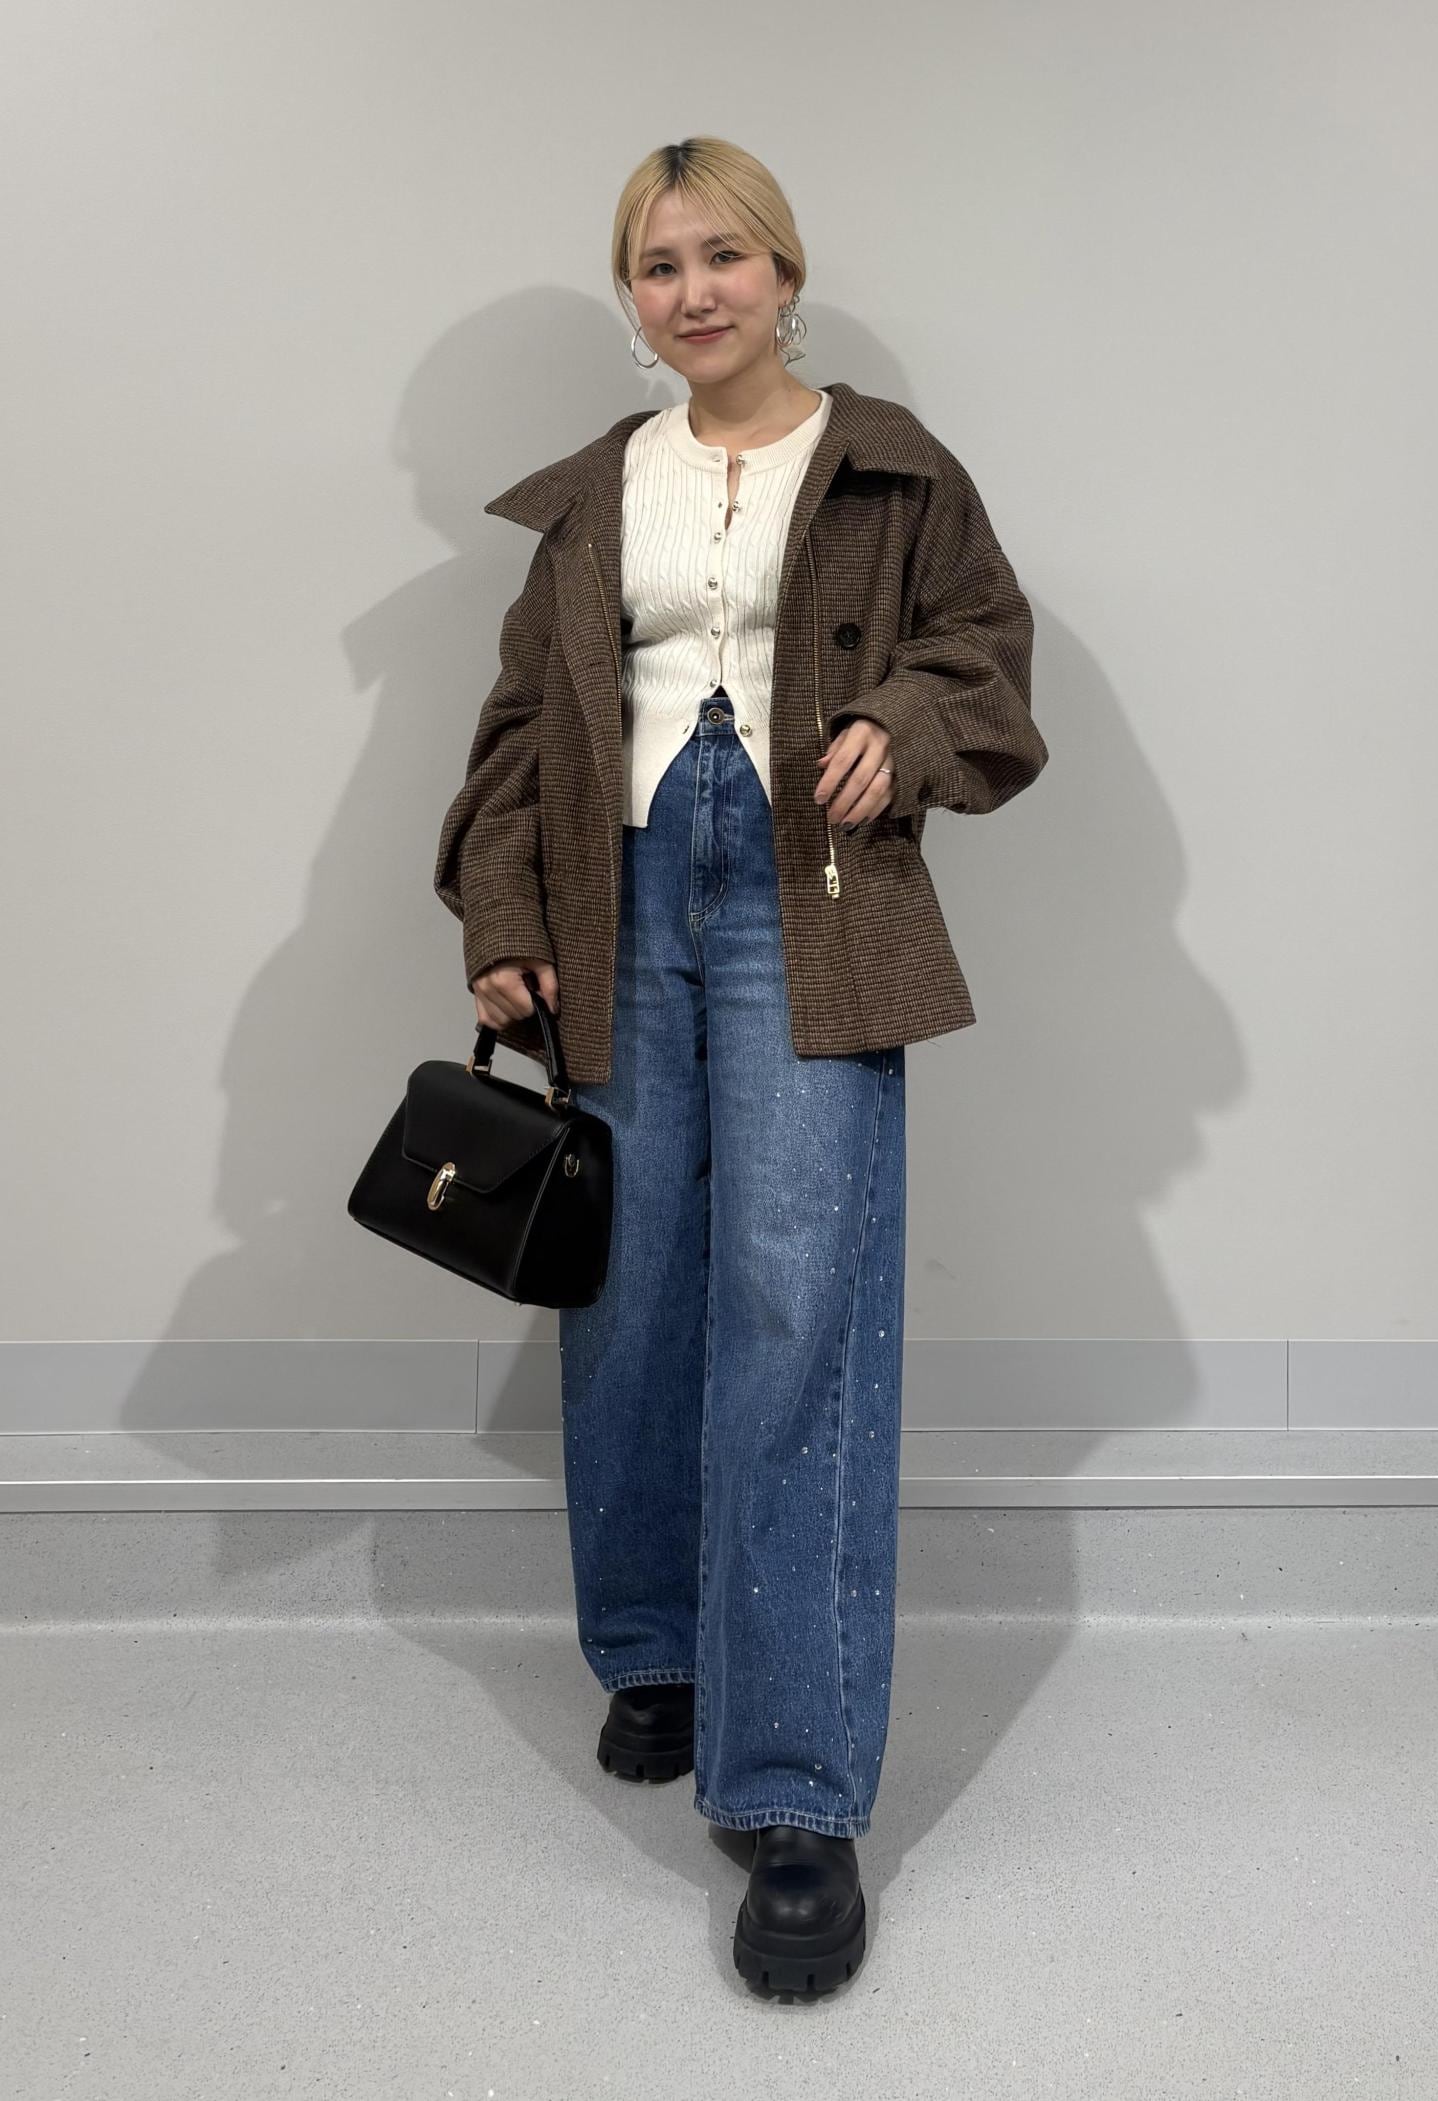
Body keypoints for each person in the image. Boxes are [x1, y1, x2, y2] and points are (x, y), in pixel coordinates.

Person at [434, 135, 1048, 1996]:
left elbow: (989, 661)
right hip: (620, 893)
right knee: (630, 1287)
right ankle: (658, 1647)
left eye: (722, 256)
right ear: (633, 299)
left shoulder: (894, 467)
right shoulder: (595, 495)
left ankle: (794, 1788)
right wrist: (503, 911)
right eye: (657, 265)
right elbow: (521, 727)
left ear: (786, 271)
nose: (692, 293)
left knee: (797, 1302)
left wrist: (903, 720)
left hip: (810, 889)